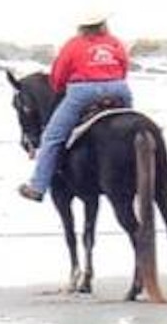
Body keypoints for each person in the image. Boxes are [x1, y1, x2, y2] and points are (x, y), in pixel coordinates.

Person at [17, 12, 133, 202]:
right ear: (103, 24)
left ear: (82, 26)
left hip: (84, 93)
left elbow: (58, 77)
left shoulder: (73, 44)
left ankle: (37, 187)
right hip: (119, 89)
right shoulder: (115, 42)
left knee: (52, 137)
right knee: (130, 131)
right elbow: (124, 67)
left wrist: (61, 87)